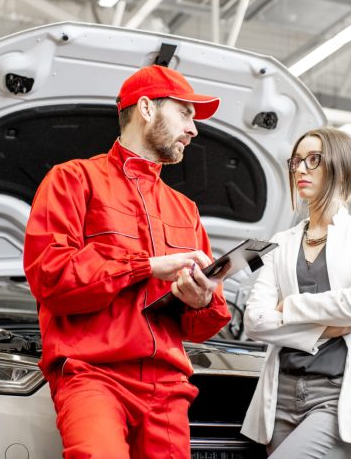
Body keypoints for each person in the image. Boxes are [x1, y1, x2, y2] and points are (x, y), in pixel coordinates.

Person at [24, 64, 232, 459]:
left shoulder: (184, 208)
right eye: (185, 113)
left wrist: (202, 298)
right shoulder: (71, 180)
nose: (194, 130)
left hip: (169, 389)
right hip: (93, 376)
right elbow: (52, 279)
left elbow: (200, 325)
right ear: (147, 108)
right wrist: (146, 266)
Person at [241, 127, 351, 459]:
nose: (300, 169)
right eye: (297, 161)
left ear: (340, 167)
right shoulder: (280, 242)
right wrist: (325, 327)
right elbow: (254, 320)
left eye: (313, 160)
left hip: (338, 397)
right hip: (281, 395)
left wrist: (289, 305)